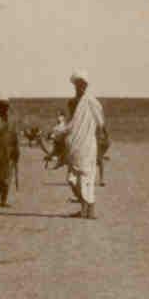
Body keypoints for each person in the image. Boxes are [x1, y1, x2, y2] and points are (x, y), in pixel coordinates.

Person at [54, 70, 106, 219]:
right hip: (77, 146)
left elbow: (100, 123)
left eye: (81, 85)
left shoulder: (90, 102)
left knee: (86, 178)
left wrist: (58, 131)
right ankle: (86, 209)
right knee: (74, 178)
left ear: (85, 86)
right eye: (77, 85)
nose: (79, 87)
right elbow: (73, 125)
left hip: (88, 145)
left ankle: (88, 210)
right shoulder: (77, 102)